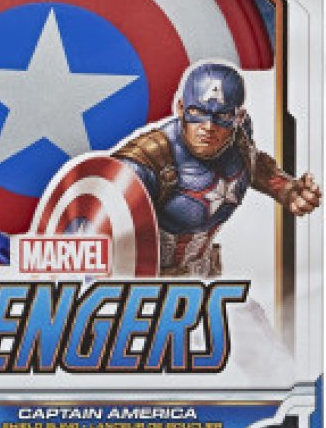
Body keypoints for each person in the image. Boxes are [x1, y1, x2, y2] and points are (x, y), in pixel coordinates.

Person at [114, 60, 320, 277]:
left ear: (238, 117)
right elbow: (101, 210)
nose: (208, 127)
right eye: (197, 112)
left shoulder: (238, 138)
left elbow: (250, 161)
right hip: (150, 285)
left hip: (205, 274)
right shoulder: (150, 158)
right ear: (181, 108)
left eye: (222, 116)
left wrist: (286, 188)